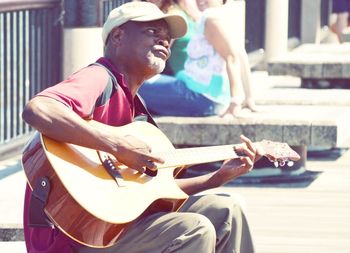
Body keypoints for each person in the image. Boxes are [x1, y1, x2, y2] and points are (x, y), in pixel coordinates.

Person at [22, 2, 260, 253]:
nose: (164, 42)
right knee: (192, 228)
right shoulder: (99, 77)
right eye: (152, 32)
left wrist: (217, 178)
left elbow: (154, 195)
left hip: (116, 224)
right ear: (118, 36)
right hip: (76, 238)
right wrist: (116, 144)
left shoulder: (138, 111)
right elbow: (39, 109)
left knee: (227, 209)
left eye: (168, 38)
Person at [138, 0, 259, 117]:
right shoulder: (224, 16)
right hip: (209, 97)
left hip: (198, 95)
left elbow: (232, 57)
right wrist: (249, 97)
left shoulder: (210, 17)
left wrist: (236, 100)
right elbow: (241, 54)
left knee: (133, 84)